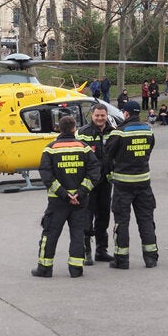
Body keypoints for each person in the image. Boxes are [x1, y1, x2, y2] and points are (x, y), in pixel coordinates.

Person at [32, 116, 101, 278]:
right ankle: (76, 269)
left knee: (50, 233)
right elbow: (95, 172)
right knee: (77, 234)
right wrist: (80, 193)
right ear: (74, 129)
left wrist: (64, 194)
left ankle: (44, 268)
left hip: (57, 202)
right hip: (80, 201)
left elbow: (46, 175)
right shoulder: (84, 148)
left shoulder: (50, 149)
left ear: (59, 129)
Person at [105, 100, 158, 269]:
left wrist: (110, 174)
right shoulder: (148, 130)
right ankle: (151, 258)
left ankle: (122, 260)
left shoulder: (118, 133)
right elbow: (149, 150)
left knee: (122, 222)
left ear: (126, 114)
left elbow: (107, 156)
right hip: (143, 182)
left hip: (123, 184)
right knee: (146, 220)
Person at [76, 104, 114, 266]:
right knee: (86, 217)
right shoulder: (82, 133)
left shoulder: (112, 132)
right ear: (92, 115)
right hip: (88, 183)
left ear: (106, 115)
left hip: (106, 181)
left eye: (102, 116)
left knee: (104, 215)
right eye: (97, 115)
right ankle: (86, 252)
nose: (100, 118)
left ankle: (101, 250)